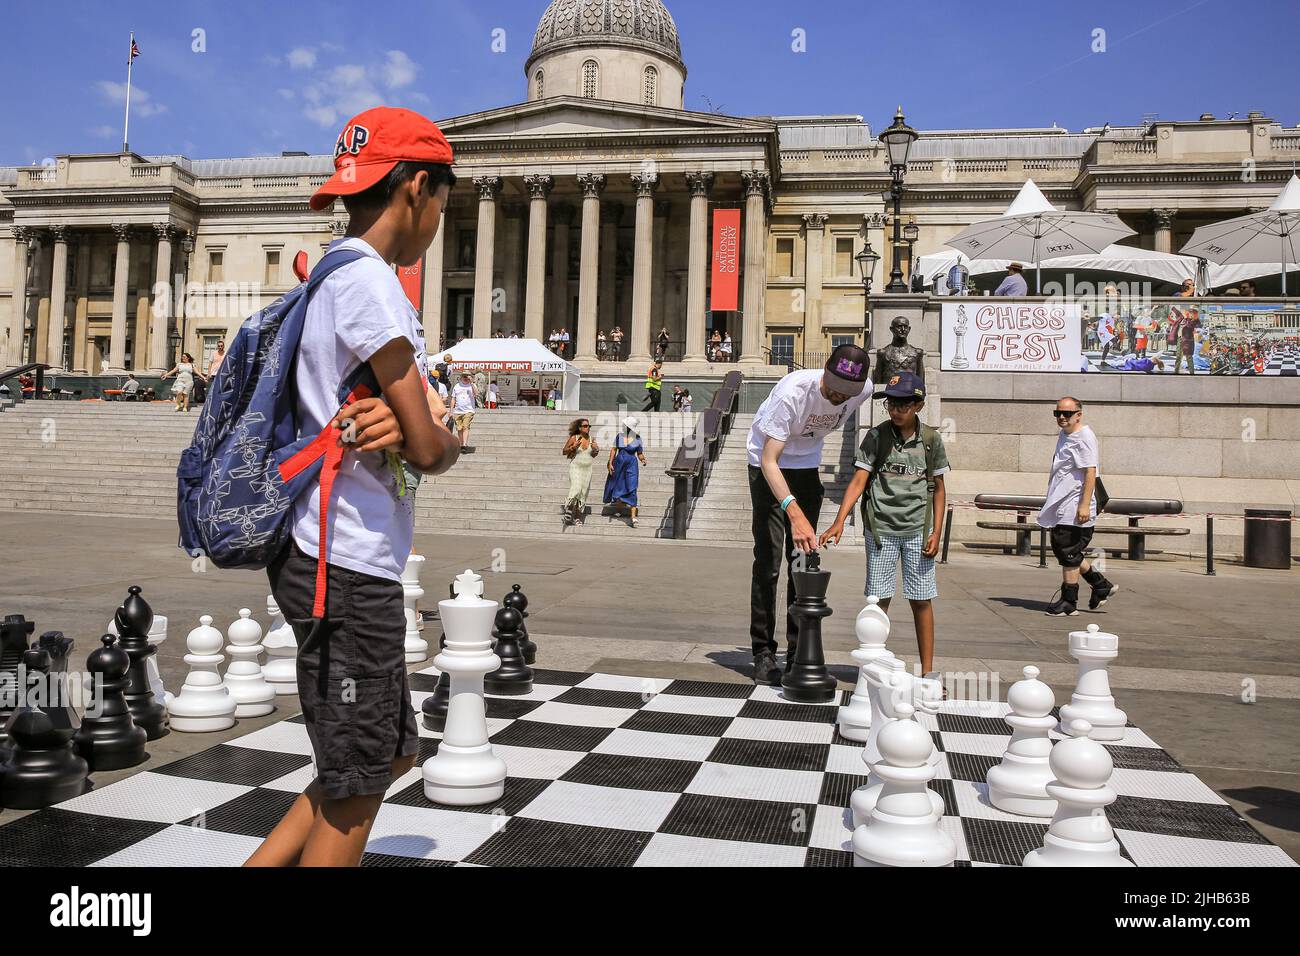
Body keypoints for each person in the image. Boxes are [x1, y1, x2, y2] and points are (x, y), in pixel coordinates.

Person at [247, 106, 460, 868]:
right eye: (443, 198)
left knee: (381, 758)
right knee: (358, 791)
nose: (441, 216)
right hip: (343, 564)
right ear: (415, 190)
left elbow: (408, 427)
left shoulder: (335, 271)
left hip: (328, 556)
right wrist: (440, 435)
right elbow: (431, 447)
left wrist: (416, 427)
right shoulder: (370, 282)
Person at [747, 344, 872, 685]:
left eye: (847, 393)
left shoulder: (864, 391)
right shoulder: (792, 393)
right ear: (825, 374)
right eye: (833, 389)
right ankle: (763, 650)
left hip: (805, 464)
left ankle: (798, 648)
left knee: (802, 561)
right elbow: (769, 461)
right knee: (770, 559)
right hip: (767, 463)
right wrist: (794, 511)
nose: (838, 397)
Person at [820, 370, 948, 679]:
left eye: (903, 405)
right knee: (878, 599)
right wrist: (839, 520)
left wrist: (937, 532)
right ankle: (873, 670)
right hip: (880, 531)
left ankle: (928, 673)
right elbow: (859, 480)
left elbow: (940, 489)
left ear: (918, 405)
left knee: (921, 599)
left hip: (918, 530)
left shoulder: (931, 440)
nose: (895, 411)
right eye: (891, 404)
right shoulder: (876, 437)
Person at [1036, 396, 1117, 617]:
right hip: (1062, 501)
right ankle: (1100, 585)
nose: (1061, 417)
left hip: (1075, 504)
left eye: (1067, 413)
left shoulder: (1084, 437)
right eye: (1058, 413)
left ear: (1078, 414)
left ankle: (1069, 601)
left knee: (1068, 551)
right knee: (1067, 550)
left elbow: (1091, 471)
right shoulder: (1066, 434)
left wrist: (1083, 506)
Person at [604, 417, 646, 528]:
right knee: (618, 486)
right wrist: (610, 462)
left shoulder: (638, 438)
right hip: (619, 463)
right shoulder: (619, 436)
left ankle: (633, 517)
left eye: (625, 425)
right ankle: (619, 509)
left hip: (632, 465)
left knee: (632, 488)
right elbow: (614, 449)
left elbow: (640, 453)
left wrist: (643, 460)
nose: (623, 426)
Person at [562, 418, 600, 525]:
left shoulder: (592, 439)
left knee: (583, 493)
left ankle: (578, 517)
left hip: (587, 469)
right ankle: (568, 512)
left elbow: (593, 455)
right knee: (576, 488)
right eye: (585, 426)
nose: (588, 428)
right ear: (579, 428)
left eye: (588, 426)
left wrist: (596, 450)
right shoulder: (574, 438)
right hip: (576, 467)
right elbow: (564, 451)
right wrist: (573, 447)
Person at [450, 372, 477, 451]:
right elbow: (453, 398)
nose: (465, 378)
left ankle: (464, 444)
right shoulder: (457, 386)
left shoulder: (472, 385)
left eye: (467, 376)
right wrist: (451, 410)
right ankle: (461, 444)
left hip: (469, 410)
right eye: (464, 376)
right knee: (459, 428)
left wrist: (472, 383)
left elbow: (476, 393)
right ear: (461, 377)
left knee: (465, 426)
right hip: (458, 410)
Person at [1172, 306, 1201, 375]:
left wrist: (1185, 317)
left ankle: (1192, 372)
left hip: (1188, 341)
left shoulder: (1195, 321)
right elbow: (1178, 313)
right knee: (1178, 356)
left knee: (1189, 357)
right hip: (1180, 339)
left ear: (1195, 314)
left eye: (1192, 313)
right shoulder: (1185, 318)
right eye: (1190, 312)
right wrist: (1173, 307)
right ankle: (1176, 371)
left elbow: (1189, 326)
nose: (1190, 314)